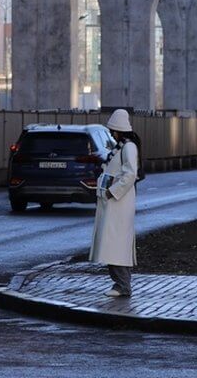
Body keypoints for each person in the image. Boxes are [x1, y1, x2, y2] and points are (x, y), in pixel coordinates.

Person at [90, 108, 139, 298]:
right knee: (113, 244)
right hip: (114, 202)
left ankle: (123, 285)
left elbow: (130, 174)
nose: (111, 133)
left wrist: (112, 191)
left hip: (119, 203)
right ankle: (120, 284)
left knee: (117, 245)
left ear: (118, 130)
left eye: (112, 130)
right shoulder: (122, 147)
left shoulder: (128, 147)